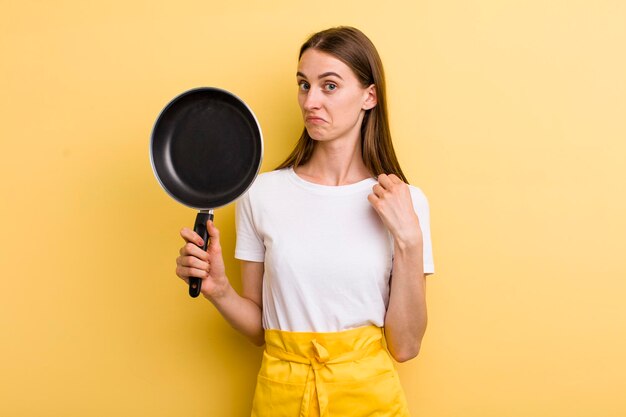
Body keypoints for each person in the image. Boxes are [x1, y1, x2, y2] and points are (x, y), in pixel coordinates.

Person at [175, 26, 435, 417]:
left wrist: (409, 240)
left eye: (329, 86)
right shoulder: (261, 194)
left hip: (370, 402)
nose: (310, 100)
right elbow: (261, 331)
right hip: (281, 399)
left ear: (369, 96)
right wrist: (219, 289)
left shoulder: (405, 202)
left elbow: (406, 346)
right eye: (303, 84)